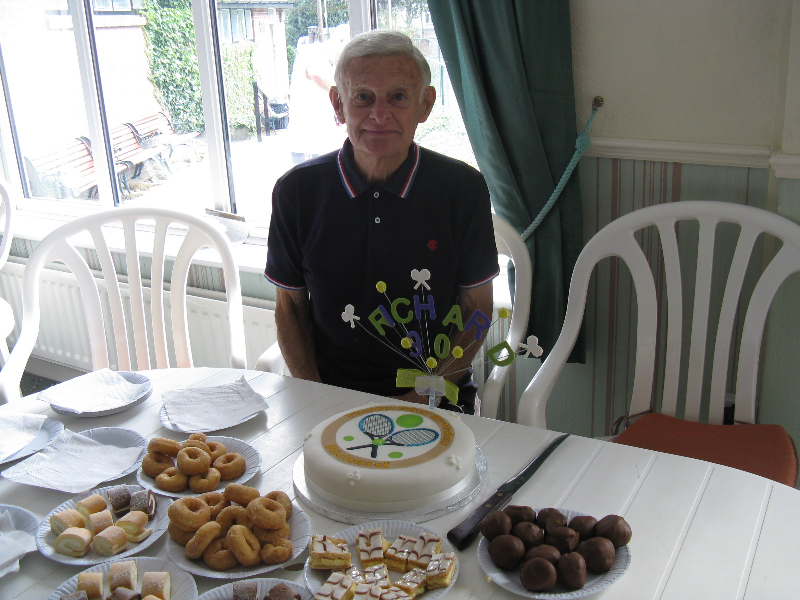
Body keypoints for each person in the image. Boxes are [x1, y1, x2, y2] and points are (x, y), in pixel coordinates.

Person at [264, 30, 498, 414]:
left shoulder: (462, 189)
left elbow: (478, 309)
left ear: (425, 105)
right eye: (363, 97)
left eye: (398, 97)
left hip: (435, 394)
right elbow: (290, 307)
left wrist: (421, 398)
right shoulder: (296, 191)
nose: (379, 114)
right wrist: (316, 396)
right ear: (338, 105)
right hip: (329, 396)